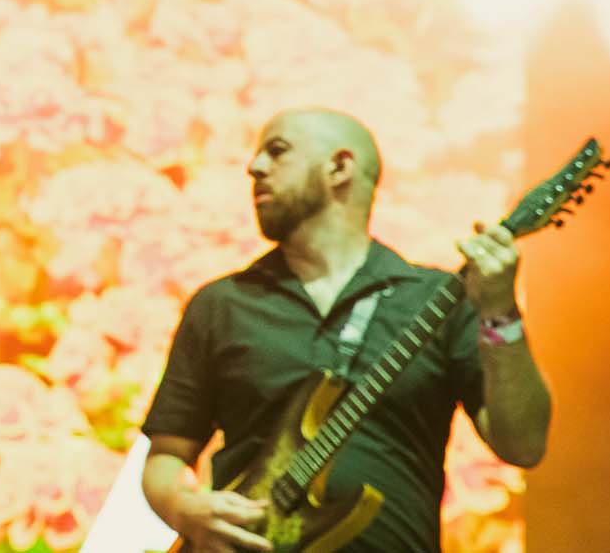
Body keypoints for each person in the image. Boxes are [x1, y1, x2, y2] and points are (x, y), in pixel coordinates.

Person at [139, 108, 553, 553]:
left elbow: (523, 445)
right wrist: (182, 507)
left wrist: (500, 312)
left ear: (339, 168)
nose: (254, 167)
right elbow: (166, 456)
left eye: (277, 151)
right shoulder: (222, 304)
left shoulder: (434, 299)